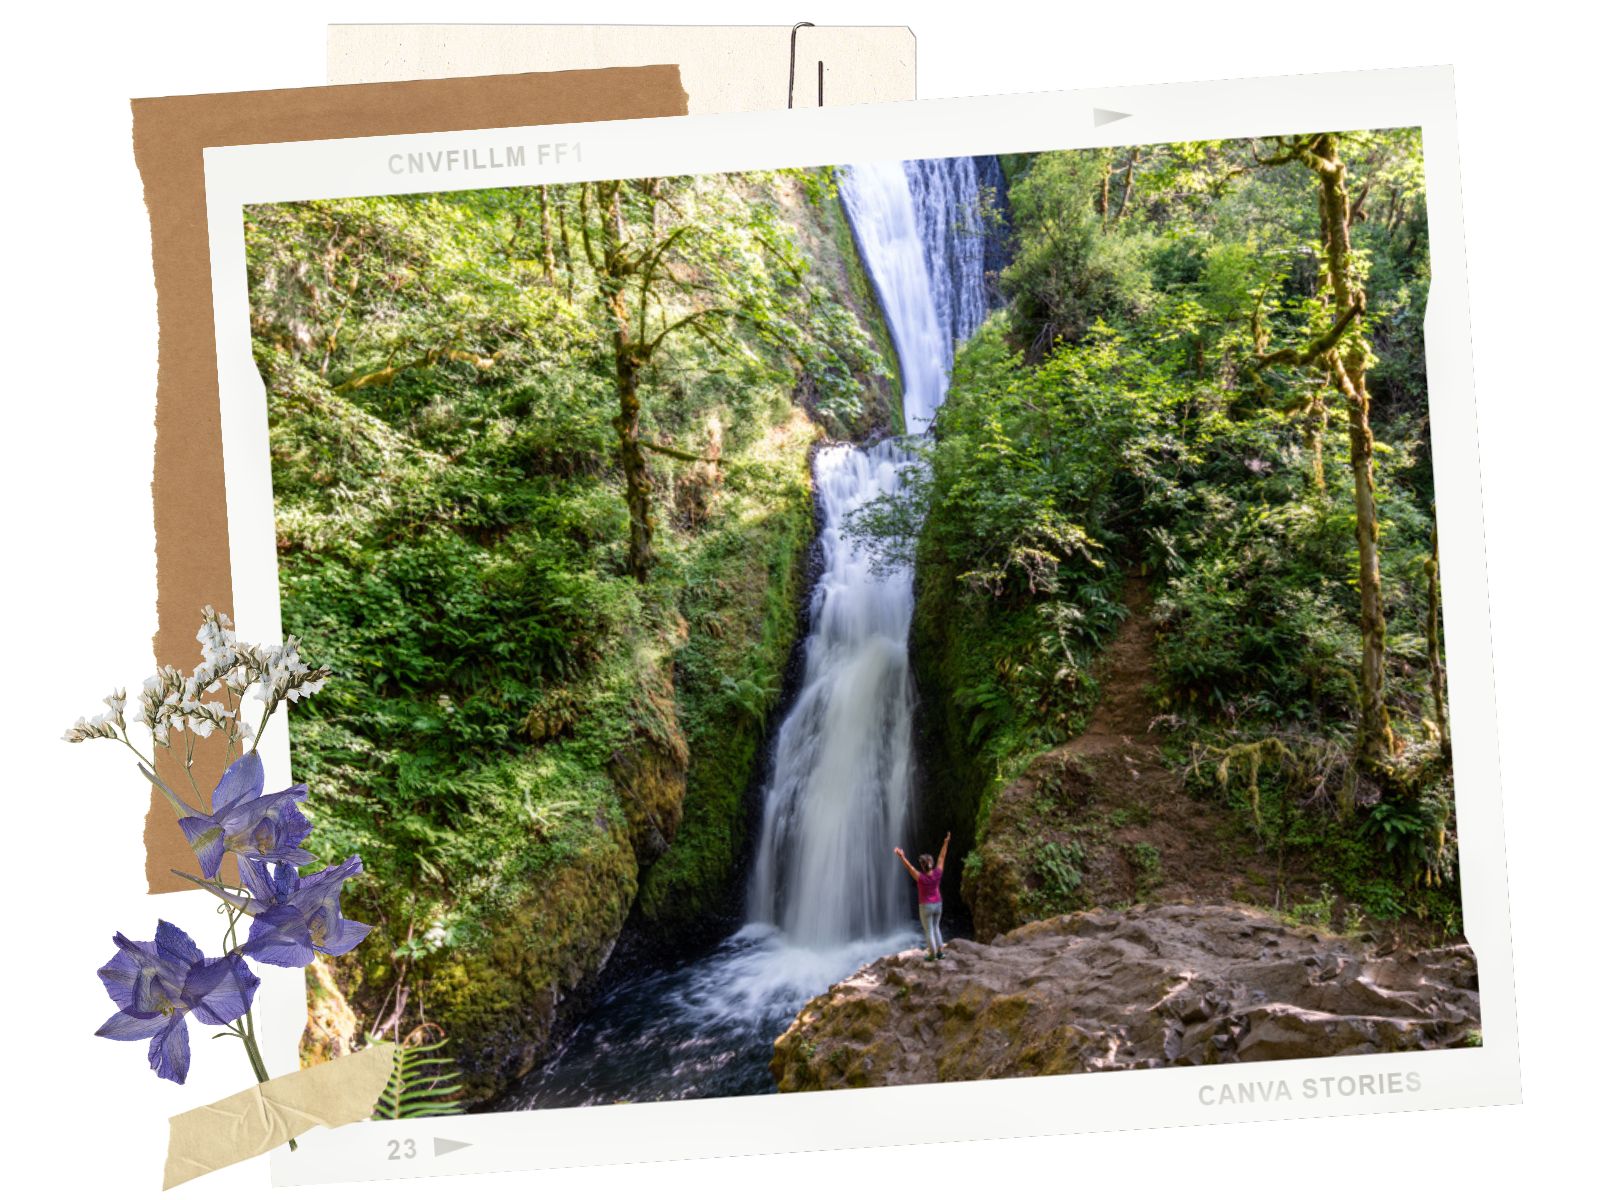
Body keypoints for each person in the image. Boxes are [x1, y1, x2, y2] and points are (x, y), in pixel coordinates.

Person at [894, 832, 951, 961]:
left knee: (929, 930)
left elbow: (909, 868)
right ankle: (940, 952)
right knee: (936, 927)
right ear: (931, 863)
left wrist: (901, 856)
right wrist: (946, 842)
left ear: (923, 866)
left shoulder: (920, 877)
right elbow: (942, 857)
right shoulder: (937, 873)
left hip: (925, 906)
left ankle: (932, 954)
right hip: (938, 904)